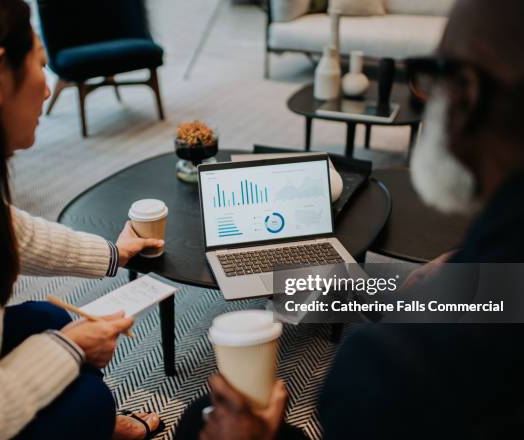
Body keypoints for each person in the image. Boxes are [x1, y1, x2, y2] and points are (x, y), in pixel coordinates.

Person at [176, 0, 524, 438]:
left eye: (431, 74)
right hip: (482, 297)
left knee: (200, 416)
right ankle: (305, 286)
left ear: (468, 95)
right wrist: (463, 269)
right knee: (345, 283)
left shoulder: (385, 370)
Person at [0, 0, 163, 439]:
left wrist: (113, 253)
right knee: (89, 398)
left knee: (49, 316)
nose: (48, 89)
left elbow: (9, 231)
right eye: (41, 66)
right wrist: (67, 350)